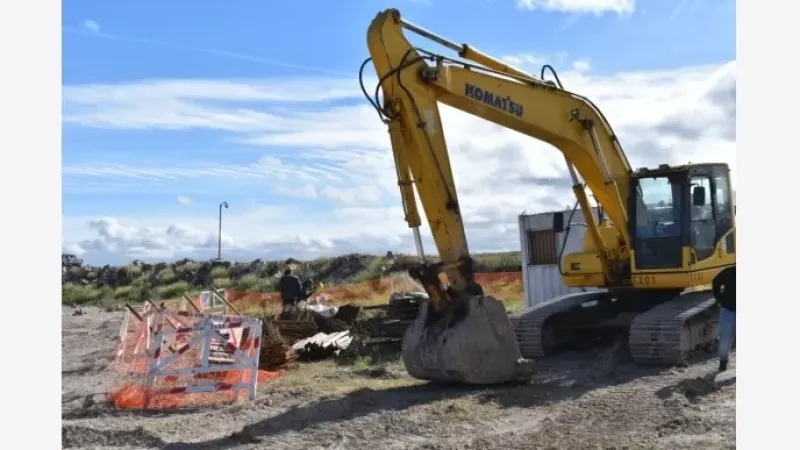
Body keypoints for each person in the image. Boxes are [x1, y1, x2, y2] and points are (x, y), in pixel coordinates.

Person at [712, 265, 736, 372]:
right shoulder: (729, 272)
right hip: (728, 310)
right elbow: (716, 282)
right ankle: (723, 361)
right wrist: (720, 299)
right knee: (725, 339)